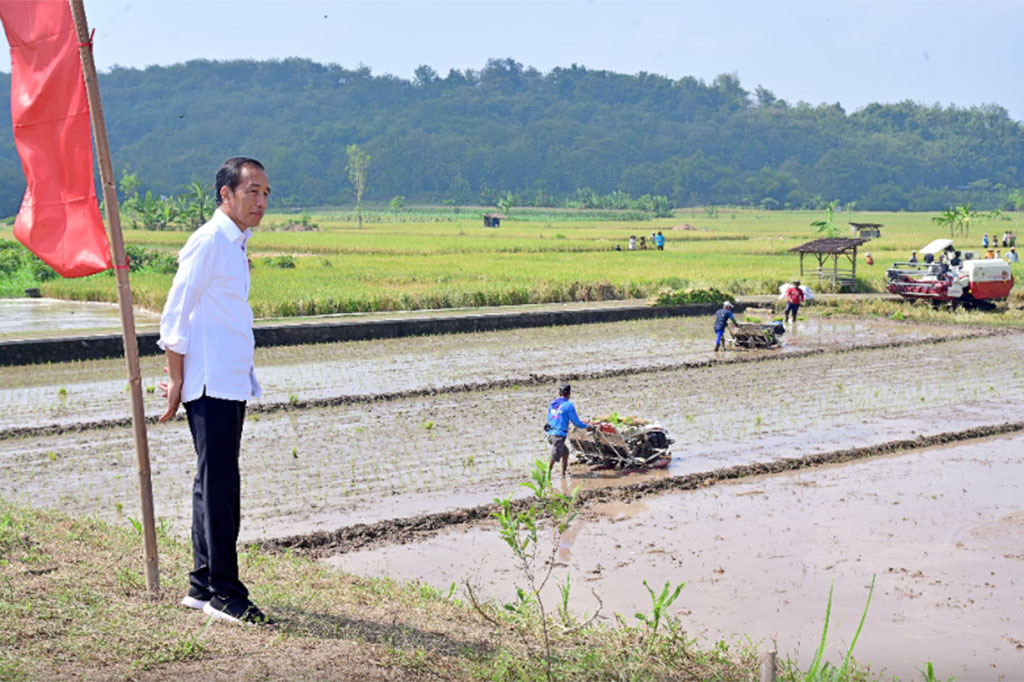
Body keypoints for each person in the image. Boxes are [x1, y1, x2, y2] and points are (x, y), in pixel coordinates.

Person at [158, 157, 273, 626]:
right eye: (252, 192)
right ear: (225, 195)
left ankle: (202, 584)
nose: (260, 202)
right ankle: (226, 594)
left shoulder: (234, 244)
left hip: (228, 380)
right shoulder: (209, 242)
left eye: (266, 193)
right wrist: (178, 381)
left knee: (212, 484)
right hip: (210, 385)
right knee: (222, 487)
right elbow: (174, 316)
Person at [546, 384, 591, 476]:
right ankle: (546, 475)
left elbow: (551, 418)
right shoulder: (568, 405)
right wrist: (587, 426)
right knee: (554, 456)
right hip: (558, 435)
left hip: (550, 434)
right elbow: (577, 422)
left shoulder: (553, 405)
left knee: (565, 453)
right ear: (569, 393)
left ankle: (563, 474)